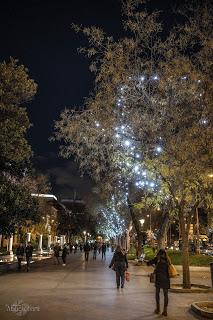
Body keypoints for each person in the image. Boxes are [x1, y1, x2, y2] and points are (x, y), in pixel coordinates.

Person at [147, 249, 171, 317]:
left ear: (159, 253)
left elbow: (148, 263)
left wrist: (152, 265)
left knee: (157, 293)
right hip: (166, 278)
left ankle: (158, 309)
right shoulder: (168, 260)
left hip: (159, 278)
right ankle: (165, 310)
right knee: (165, 294)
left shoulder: (157, 259)